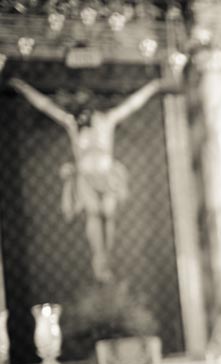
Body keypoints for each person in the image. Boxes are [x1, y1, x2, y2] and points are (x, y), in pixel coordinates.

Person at [8, 77, 162, 282]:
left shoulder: (107, 120)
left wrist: (153, 87)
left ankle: (107, 258)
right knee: (94, 215)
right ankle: (99, 260)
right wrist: (23, 87)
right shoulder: (73, 123)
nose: (83, 118)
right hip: (86, 177)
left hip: (106, 175)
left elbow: (132, 105)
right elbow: (46, 106)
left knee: (109, 215)